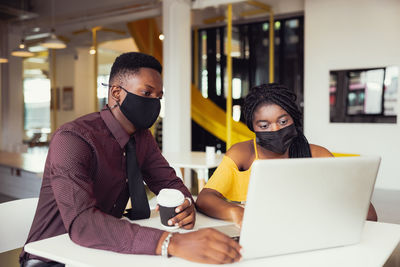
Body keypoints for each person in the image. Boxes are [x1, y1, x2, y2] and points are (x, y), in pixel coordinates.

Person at [20, 52, 241, 266]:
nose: (155, 103)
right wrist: (171, 243)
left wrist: (184, 206)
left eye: (159, 97)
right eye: (147, 93)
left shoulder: (142, 138)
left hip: (104, 251)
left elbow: (170, 183)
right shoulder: (72, 139)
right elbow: (83, 223)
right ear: (116, 92)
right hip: (52, 257)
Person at [196, 83, 378, 227]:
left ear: (294, 119)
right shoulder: (242, 154)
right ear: (252, 127)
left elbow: (369, 216)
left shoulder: (318, 155)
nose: (275, 129)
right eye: (264, 125)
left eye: (283, 121)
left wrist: (348, 194)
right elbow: (205, 198)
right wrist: (236, 212)